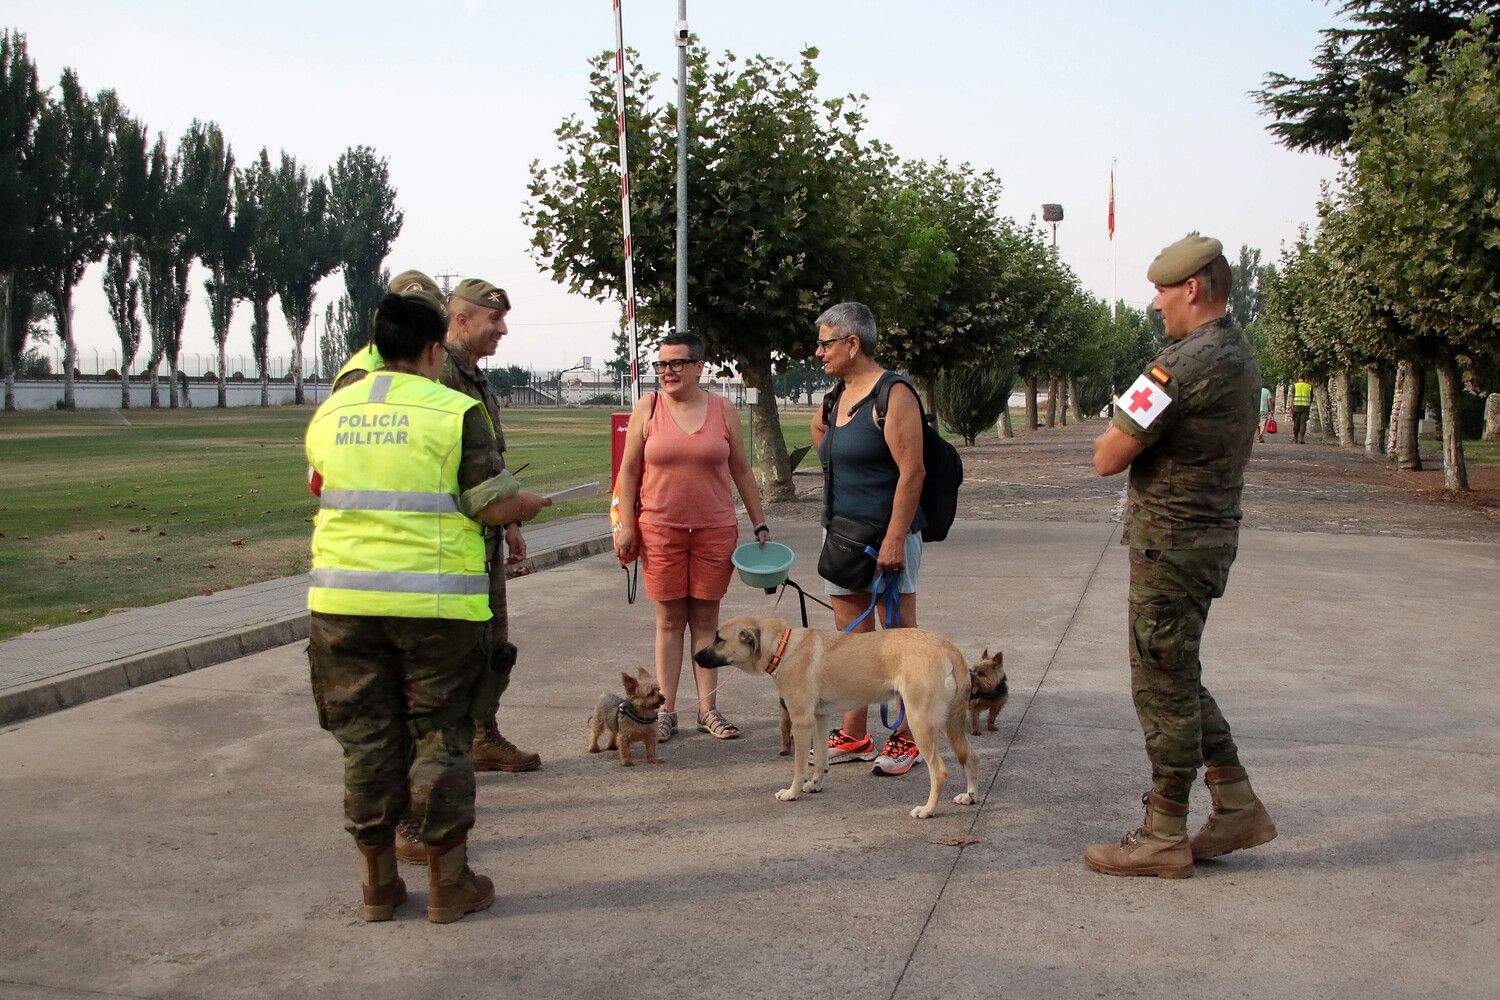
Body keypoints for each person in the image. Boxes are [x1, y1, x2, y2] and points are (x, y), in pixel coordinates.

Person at [304, 286, 551, 923]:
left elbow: (321, 486)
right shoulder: (449, 410)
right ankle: (449, 883)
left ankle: (378, 887)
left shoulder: (331, 408)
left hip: (341, 605)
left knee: (367, 740)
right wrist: (524, 506)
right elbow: (491, 504)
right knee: (441, 738)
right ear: (435, 348)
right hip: (435, 609)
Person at [1084, 233, 1277, 879]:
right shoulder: (1238, 353)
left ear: (1192, 289)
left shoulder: (1179, 365)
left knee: (1160, 687)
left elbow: (1108, 455)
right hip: (1204, 540)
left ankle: (1163, 832)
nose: (1157, 304)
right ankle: (1236, 803)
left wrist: (1116, 426)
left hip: (1172, 547)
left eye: (1163, 292)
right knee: (1179, 676)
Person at [612, 332, 771, 744]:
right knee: (668, 622)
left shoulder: (722, 409)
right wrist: (623, 524)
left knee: (706, 621)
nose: (668, 371)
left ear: (700, 366)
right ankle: (665, 710)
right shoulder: (647, 408)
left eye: (677, 363)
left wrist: (760, 523)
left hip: (714, 531)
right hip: (660, 531)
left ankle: (708, 709)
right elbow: (627, 473)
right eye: (661, 364)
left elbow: (742, 470)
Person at [809, 302, 928, 778]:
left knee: (899, 642)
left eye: (825, 342)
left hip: (885, 536)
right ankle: (854, 732)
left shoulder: (893, 393)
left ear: (852, 344)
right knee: (850, 641)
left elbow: (912, 470)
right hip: (841, 534)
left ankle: (907, 736)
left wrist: (896, 538)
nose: (819, 352)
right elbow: (829, 450)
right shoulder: (837, 396)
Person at [1291, 376, 1313, 444]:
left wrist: (1291, 406)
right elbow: (1311, 397)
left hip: (1296, 407)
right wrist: (1309, 404)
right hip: (1305, 407)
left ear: (1298, 378)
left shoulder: (1295, 385)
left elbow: (1292, 396)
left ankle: (1295, 438)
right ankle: (1302, 439)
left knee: (1296, 422)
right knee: (1303, 423)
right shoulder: (1309, 386)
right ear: (1305, 379)